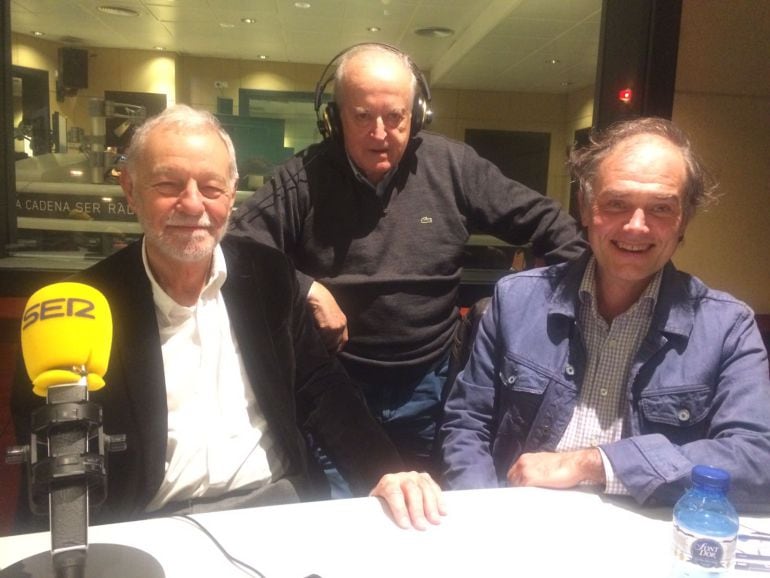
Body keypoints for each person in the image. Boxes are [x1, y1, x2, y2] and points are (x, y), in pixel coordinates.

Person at [11, 104, 445, 533]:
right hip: (146, 519)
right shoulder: (78, 308)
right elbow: (52, 454)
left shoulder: (269, 276)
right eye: (168, 184)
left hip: (276, 504)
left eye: (212, 187)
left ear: (233, 192)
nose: (193, 204)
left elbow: (322, 390)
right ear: (130, 189)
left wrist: (386, 471)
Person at [229, 43, 587, 476]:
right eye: (362, 116)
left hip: (431, 384)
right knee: (343, 514)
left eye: (394, 116)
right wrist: (305, 287)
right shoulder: (303, 176)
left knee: (421, 512)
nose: (379, 133)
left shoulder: (453, 165)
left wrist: (537, 305)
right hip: (335, 386)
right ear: (334, 119)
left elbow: (556, 228)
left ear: (416, 115)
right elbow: (236, 247)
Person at [439, 117, 770, 510]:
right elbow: (465, 425)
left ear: (685, 220)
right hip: (520, 525)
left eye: (661, 208)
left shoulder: (729, 328)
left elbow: (758, 460)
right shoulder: (515, 300)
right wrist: (482, 514)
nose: (636, 226)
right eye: (616, 203)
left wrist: (597, 464)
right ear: (585, 207)